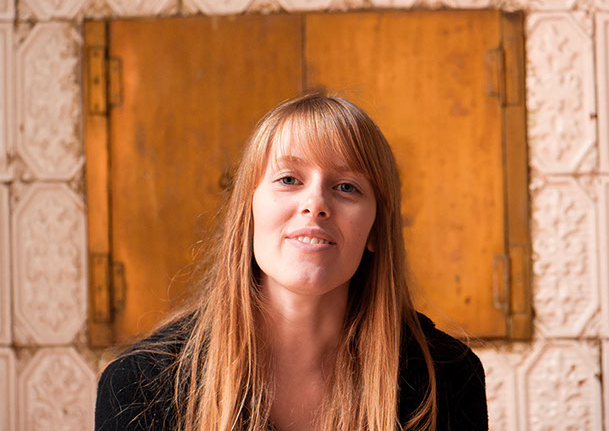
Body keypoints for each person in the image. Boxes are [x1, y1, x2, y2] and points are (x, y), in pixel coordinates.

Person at [95, 93, 488, 430]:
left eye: (346, 187)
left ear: (375, 230)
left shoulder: (447, 376)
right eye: (288, 179)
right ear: (247, 213)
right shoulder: (140, 385)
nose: (315, 204)